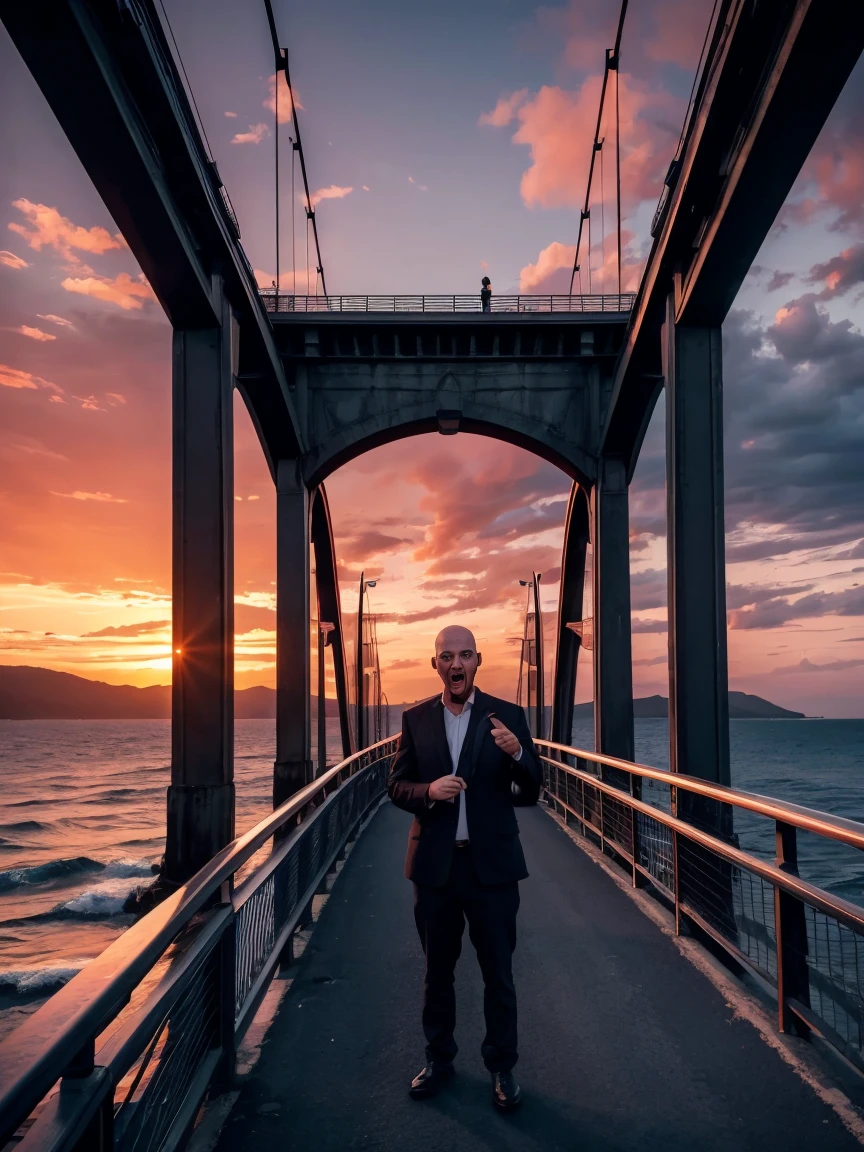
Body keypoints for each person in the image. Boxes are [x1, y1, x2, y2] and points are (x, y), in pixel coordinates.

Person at [387, 624, 541, 1112]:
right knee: (437, 973)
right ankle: (439, 1061)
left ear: (478, 661)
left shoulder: (509, 716)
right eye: (447, 656)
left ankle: (502, 1069)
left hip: (491, 869)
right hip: (435, 871)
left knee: (499, 974)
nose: (456, 664)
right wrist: (427, 792)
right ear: (435, 664)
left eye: (465, 656)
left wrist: (518, 754)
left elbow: (534, 789)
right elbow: (396, 787)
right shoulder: (415, 720)